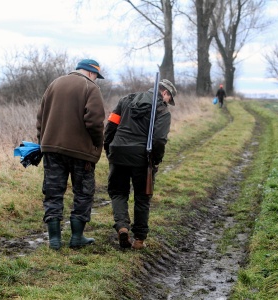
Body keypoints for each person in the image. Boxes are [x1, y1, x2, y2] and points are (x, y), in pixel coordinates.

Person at [36, 59, 105, 250]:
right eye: (96, 76)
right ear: (92, 73)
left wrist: (43, 142)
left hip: (51, 149)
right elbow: (95, 122)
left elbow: (40, 118)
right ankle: (76, 237)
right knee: (83, 193)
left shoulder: (54, 84)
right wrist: (97, 144)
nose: (96, 80)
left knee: (53, 193)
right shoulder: (91, 88)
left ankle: (55, 240)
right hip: (81, 152)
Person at [103, 79, 176, 250]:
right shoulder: (162, 110)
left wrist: (110, 149)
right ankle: (139, 240)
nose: (168, 103)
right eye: (169, 99)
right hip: (142, 158)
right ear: (165, 93)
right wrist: (155, 160)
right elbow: (159, 140)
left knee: (118, 192)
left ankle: (122, 227)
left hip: (118, 152)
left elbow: (111, 126)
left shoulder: (126, 100)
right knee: (142, 197)